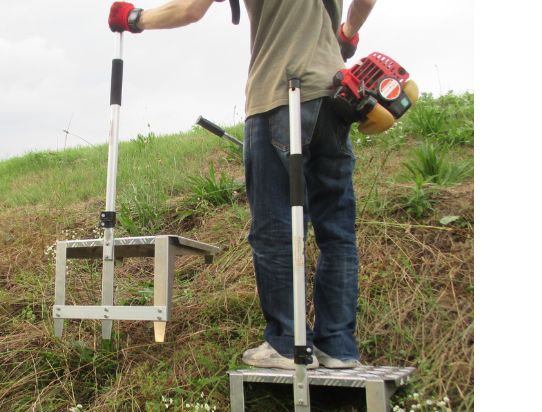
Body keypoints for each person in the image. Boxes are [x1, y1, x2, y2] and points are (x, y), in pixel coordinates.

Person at [108, 0, 376, 369]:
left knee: (273, 229)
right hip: (334, 96)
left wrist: (134, 19)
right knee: (337, 232)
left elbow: (189, 9)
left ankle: (286, 343)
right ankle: (339, 346)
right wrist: (345, 33)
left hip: (279, 96)